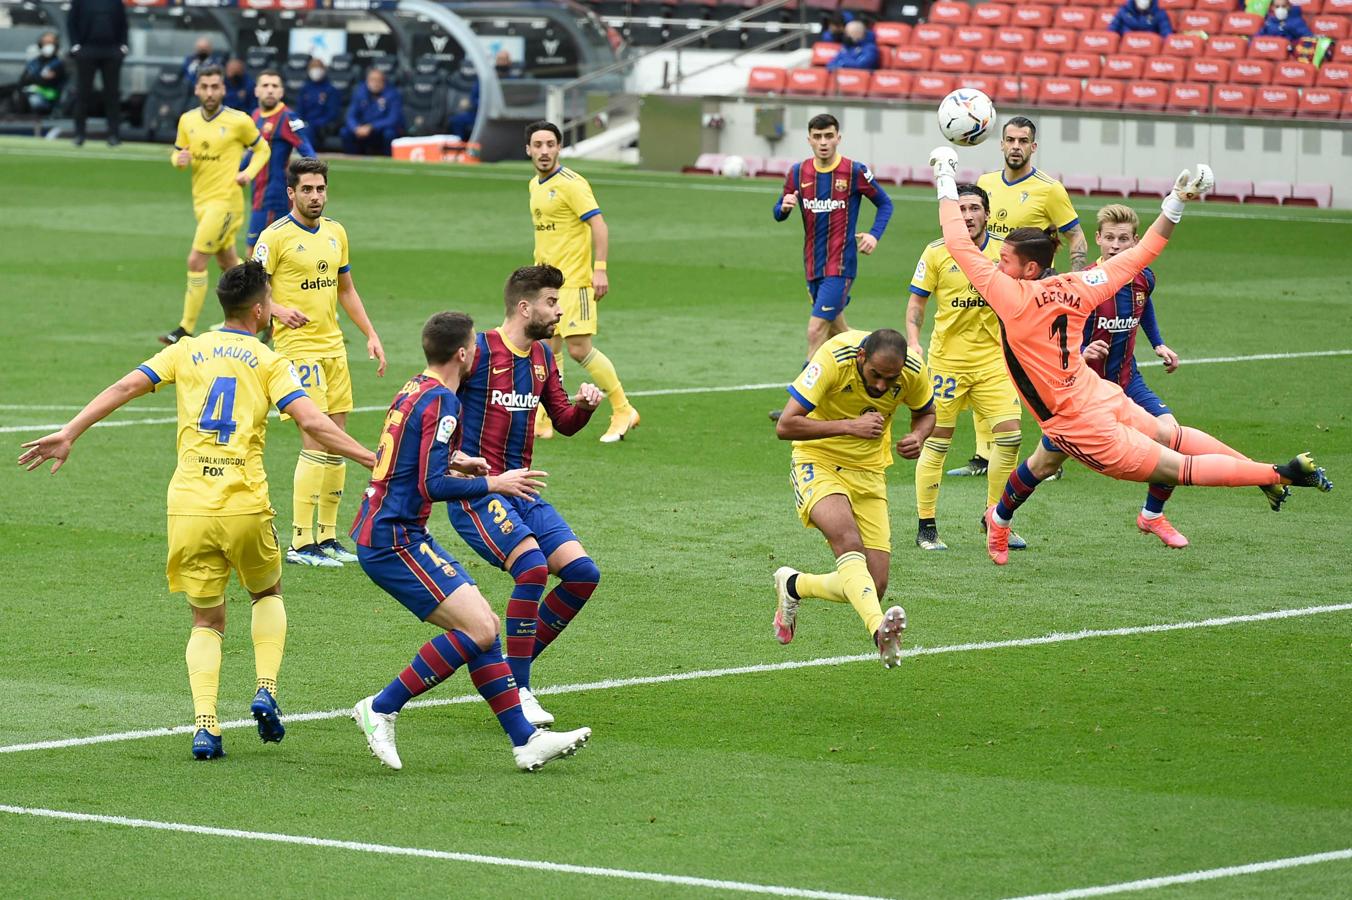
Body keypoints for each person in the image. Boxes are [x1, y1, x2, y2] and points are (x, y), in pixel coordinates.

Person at [20, 261, 375, 761]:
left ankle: (206, 727)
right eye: (270, 302)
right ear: (258, 310)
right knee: (266, 590)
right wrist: (369, 457)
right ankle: (265, 688)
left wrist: (69, 431)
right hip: (244, 505)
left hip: (187, 506)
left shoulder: (185, 350)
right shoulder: (267, 359)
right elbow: (312, 422)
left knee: (206, 621)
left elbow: (124, 388)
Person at [926, 146, 1332, 566]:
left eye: (1004, 260)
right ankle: (1001, 519)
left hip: (1079, 420)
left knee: (1175, 465)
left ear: (1029, 270)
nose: (996, 264)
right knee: (1133, 446)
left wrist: (943, 175)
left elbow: (957, 240)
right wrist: (1174, 203)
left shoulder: (1007, 294)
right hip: (1091, 393)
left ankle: (1273, 474)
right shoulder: (1080, 284)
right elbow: (1142, 254)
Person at [349, 310, 592, 772]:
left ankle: (525, 741)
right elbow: (430, 486)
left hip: (394, 530)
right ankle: (380, 707)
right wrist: (495, 483)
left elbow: (406, 452)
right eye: (474, 348)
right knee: (479, 629)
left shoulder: (414, 388)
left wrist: (460, 460)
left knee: (483, 626)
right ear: (462, 354)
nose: (479, 351)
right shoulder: (445, 401)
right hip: (392, 539)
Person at [447, 265, 604, 727]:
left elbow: (564, 421)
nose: (559, 312)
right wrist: (453, 460)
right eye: (552, 303)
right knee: (533, 569)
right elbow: (437, 404)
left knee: (581, 575)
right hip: (478, 495)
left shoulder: (542, 359)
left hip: (525, 496)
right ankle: (517, 689)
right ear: (524, 306)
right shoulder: (479, 352)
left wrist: (585, 407)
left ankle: (503, 672)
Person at [991, 204, 1197, 551]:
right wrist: (1083, 352)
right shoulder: (1081, 284)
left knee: (1171, 437)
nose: (1116, 246)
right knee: (1042, 464)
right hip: (1081, 394)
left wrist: (1158, 343)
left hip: (1128, 380)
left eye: (1125, 239)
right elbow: (1055, 337)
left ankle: (1152, 514)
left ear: (1136, 241)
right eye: (1110, 238)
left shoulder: (1143, 276)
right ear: (1098, 239)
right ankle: (999, 516)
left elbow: (1143, 306)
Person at [772, 328, 935, 669]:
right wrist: (849, 426)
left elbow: (926, 412)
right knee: (848, 541)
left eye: (889, 380)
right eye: (875, 375)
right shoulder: (833, 357)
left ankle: (794, 584)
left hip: (870, 471)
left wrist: (918, 435)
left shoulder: (913, 371)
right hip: (817, 461)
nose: (880, 386)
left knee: (873, 587)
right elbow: (786, 425)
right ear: (862, 356)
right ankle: (879, 632)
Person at [253, 157, 386, 568]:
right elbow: (248, 291)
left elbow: (346, 289)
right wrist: (277, 310)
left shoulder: (335, 233)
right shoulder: (273, 237)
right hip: (297, 351)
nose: (315, 197)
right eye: (307, 190)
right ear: (290, 193)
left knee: (337, 439)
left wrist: (370, 333)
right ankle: (300, 541)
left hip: (334, 349)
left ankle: (327, 537)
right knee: (315, 440)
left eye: (321, 189)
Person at [952, 117, 1087, 482]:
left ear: (1033, 147)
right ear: (1000, 144)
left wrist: (1067, 280)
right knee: (990, 365)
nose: (1015, 146)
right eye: (1010, 139)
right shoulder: (985, 184)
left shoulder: (1049, 189)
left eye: (1023, 140)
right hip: (995, 286)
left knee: (1038, 373)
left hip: (1034, 294)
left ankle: (1052, 451)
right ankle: (984, 454)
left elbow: (1076, 237)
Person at [906, 184, 1023, 552]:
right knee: (937, 443)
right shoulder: (937, 252)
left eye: (974, 208)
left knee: (1010, 437)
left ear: (987, 214)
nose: (967, 216)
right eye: (959, 210)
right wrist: (913, 339)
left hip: (992, 363)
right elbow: (916, 303)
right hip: (947, 364)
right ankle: (926, 526)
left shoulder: (1005, 252)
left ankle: (995, 519)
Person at [769, 113, 894, 421]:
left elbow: (885, 203)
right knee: (841, 334)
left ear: (839, 137)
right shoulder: (798, 173)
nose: (823, 143)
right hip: (813, 265)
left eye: (829, 136)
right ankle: (882, 374)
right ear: (809, 139)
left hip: (841, 265)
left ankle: (798, 405)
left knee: (815, 330)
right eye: (818, 137)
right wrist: (783, 208)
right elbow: (778, 210)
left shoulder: (853, 171)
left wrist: (874, 236)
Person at [524, 121, 639, 444]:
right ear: (528, 150)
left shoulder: (572, 184)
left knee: (578, 349)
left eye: (550, 144)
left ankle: (623, 408)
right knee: (547, 348)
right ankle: (546, 418)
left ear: (559, 147)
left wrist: (599, 269)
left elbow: (598, 225)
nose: (544, 151)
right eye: (538, 145)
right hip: (546, 284)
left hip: (574, 282)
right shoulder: (535, 185)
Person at [160, 66, 271, 347]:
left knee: (196, 261)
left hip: (226, 203)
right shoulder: (187, 120)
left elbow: (263, 149)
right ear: (197, 89)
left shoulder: (239, 121)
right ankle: (268, 315)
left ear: (223, 89)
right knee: (229, 264)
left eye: (215, 87)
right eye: (205, 87)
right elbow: (177, 151)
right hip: (202, 202)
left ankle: (184, 329)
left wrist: (248, 173)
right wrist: (178, 160)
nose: (210, 92)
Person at [243, 69, 316, 256]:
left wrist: (305, 184)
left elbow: (308, 154)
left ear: (281, 92)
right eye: (265, 86)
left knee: (257, 253)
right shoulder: (256, 115)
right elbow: (252, 153)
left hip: (274, 199)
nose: (270, 90)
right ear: (256, 91)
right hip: (257, 194)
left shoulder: (287, 118)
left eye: (275, 86)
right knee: (264, 254)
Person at [66, 0, 128, 146]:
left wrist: (123, 47)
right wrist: (76, 47)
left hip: (112, 51)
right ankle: (79, 135)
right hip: (87, 50)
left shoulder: (116, 2)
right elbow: (71, 22)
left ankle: (114, 135)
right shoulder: (79, 2)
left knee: (112, 95)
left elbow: (123, 24)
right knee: (82, 94)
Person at [340, 68, 402, 156]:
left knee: (389, 134)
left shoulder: (392, 94)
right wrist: (356, 128)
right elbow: (350, 115)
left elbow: (393, 119)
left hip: (379, 130)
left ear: (384, 82)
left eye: (378, 80)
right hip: (362, 130)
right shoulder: (360, 92)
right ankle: (352, 159)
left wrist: (372, 127)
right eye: (372, 80)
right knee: (345, 132)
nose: (375, 83)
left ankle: (388, 160)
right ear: (367, 81)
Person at [16, 31, 67, 115]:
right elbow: (22, 80)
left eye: (51, 43)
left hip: (47, 97)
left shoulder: (58, 64)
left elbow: (48, 82)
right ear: (40, 45)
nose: (48, 45)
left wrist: (33, 79)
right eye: (45, 43)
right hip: (29, 92)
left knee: (34, 100)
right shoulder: (33, 62)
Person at [297, 59, 341, 136]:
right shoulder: (305, 88)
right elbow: (300, 109)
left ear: (324, 70)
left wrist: (315, 123)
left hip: (320, 126)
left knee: (307, 132)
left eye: (318, 67)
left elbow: (332, 113)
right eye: (312, 68)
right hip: (304, 124)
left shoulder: (330, 89)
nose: (315, 70)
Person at [1108, 0, 1174, 37]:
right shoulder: (1123, 11)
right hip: (1127, 49)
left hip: (1149, 49)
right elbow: (1112, 30)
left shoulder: (1159, 13)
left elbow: (1166, 34)